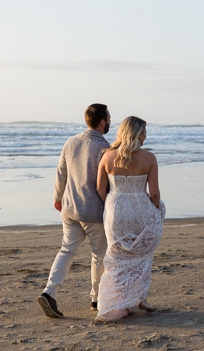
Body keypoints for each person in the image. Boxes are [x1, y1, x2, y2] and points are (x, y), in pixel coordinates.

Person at [38, 103, 111, 318]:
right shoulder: (105, 148)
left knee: (67, 250)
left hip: (69, 207)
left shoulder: (70, 142)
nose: (109, 121)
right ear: (102, 121)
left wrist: (57, 197)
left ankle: (49, 292)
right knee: (99, 255)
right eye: (108, 117)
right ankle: (96, 298)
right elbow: (106, 183)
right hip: (93, 211)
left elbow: (61, 173)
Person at [94, 116, 166, 322]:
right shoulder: (149, 158)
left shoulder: (107, 156)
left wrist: (111, 202)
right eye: (144, 131)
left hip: (115, 208)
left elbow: (100, 188)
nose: (146, 135)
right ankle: (140, 298)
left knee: (117, 256)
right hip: (140, 209)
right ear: (135, 133)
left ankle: (119, 303)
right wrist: (156, 210)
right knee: (142, 252)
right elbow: (154, 194)